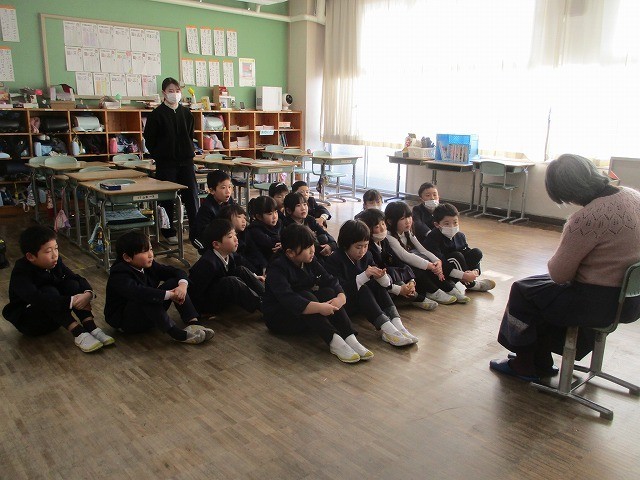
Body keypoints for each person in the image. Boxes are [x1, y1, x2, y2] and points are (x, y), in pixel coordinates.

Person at [490, 154, 640, 381]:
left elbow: (559, 274)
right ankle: (540, 359)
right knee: (536, 290)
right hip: (630, 300)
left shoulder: (587, 218)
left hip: (598, 303)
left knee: (522, 291)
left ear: (568, 190)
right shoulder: (633, 196)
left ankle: (524, 363)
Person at [262, 224, 373, 363]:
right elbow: (288, 299)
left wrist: (341, 296)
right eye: (307, 248)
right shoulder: (277, 268)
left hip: (304, 313)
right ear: (290, 252)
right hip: (281, 318)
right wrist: (320, 307)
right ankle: (334, 341)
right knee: (305, 295)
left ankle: (350, 337)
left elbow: (329, 279)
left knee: (329, 292)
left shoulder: (309, 259)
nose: (312, 250)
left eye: (312, 245)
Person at [2, 225, 113, 353]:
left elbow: (75, 278)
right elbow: (36, 298)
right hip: (32, 323)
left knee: (71, 284)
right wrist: (71, 301)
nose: (55, 255)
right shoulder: (21, 271)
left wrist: (88, 294)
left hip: (56, 319)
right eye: (48, 251)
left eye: (56, 248)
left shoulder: (55, 262)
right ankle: (78, 332)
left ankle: (90, 326)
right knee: (49, 292)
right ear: (31, 256)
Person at [104, 231, 214, 345]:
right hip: (127, 322)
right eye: (144, 251)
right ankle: (177, 334)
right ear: (127, 257)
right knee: (146, 296)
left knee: (174, 282)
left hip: (149, 314)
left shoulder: (147, 265)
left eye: (151, 249)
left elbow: (176, 271)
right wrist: (171, 295)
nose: (150, 255)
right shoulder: (119, 273)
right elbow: (139, 292)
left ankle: (193, 323)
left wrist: (182, 286)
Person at [325, 220, 417, 346]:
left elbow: (383, 282)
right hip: (346, 303)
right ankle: (387, 329)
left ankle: (397, 325)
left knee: (376, 283)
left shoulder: (367, 255)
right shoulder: (334, 259)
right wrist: (365, 275)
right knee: (363, 288)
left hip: (365, 302)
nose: (362, 251)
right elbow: (341, 289)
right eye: (358, 247)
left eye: (366, 245)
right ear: (346, 244)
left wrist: (382, 276)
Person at [143, 77, 199, 245]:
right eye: (171, 91)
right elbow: (149, 140)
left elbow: (190, 135)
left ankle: (196, 231)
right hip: (166, 164)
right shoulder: (157, 115)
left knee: (192, 196)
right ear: (164, 93)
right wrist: (160, 155)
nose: (174, 94)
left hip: (186, 162)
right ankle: (168, 232)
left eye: (177, 91)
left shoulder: (186, 113)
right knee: (167, 199)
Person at [384, 201, 466, 304]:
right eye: (402, 218)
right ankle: (432, 291)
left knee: (428, 262)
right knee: (418, 268)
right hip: (398, 267)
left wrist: (437, 261)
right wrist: (430, 265)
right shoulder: (389, 237)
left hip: (409, 262)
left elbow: (422, 249)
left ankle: (448, 288)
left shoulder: (407, 231)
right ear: (390, 222)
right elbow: (405, 256)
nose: (408, 221)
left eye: (409, 217)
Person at [358, 208, 438, 311]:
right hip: (379, 282)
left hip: (390, 280)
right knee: (389, 272)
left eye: (383, 224)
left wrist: (411, 281)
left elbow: (398, 261)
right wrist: (399, 288)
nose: (382, 228)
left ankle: (409, 291)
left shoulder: (384, 241)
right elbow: (376, 273)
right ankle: (415, 297)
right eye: (377, 226)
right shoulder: (367, 248)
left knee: (401, 268)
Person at [188, 219, 264, 316]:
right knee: (231, 281)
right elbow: (194, 292)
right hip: (206, 304)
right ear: (216, 244)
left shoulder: (229, 254)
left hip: (220, 295)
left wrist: (254, 277)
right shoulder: (208, 263)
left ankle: (269, 297)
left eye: (235, 235)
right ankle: (264, 306)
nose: (236, 239)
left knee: (241, 270)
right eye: (230, 236)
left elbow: (234, 273)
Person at [424, 202, 495, 292]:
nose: (452, 226)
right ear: (437, 224)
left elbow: (466, 251)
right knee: (457, 256)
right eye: (447, 224)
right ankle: (472, 285)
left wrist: (475, 271)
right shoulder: (432, 238)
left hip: (457, 270)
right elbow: (440, 262)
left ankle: (469, 278)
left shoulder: (460, 235)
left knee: (476, 252)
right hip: (441, 271)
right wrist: (464, 275)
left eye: (455, 222)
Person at [282, 192, 337, 262]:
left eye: (305, 204)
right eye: (298, 205)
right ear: (289, 210)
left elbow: (325, 233)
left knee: (324, 238)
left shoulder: (310, 220)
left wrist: (331, 245)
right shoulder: (287, 225)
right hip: (303, 257)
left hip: (316, 252)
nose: (303, 208)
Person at [192, 169, 235, 251]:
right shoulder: (206, 208)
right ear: (212, 190)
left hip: (220, 234)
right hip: (201, 238)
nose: (228, 191)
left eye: (229, 187)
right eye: (223, 188)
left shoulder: (229, 200)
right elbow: (204, 232)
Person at [244, 195, 282, 274]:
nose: (274, 216)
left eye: (276, 212)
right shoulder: (254, 229)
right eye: (270, 214)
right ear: (259, 217)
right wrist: (282, 242)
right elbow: (270, 243)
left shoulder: (279, 224)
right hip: (261, 265)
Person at [412, 182, 438, 247]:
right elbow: (418, 224)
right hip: (424, 240)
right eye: (428, 195)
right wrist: (430, 234)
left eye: (435, 195)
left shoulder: (443, 209)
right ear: (421, 200)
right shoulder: (417, 209)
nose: (432, 198)